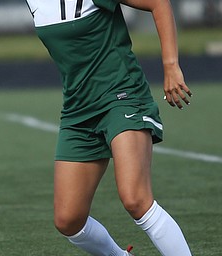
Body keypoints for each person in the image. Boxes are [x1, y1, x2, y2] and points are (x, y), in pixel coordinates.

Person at [25, 0, 193, 255]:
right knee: (68, 220)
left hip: (122, 95)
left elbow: (159, 3)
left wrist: (171, 66)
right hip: (78, 110)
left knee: (136, 199)